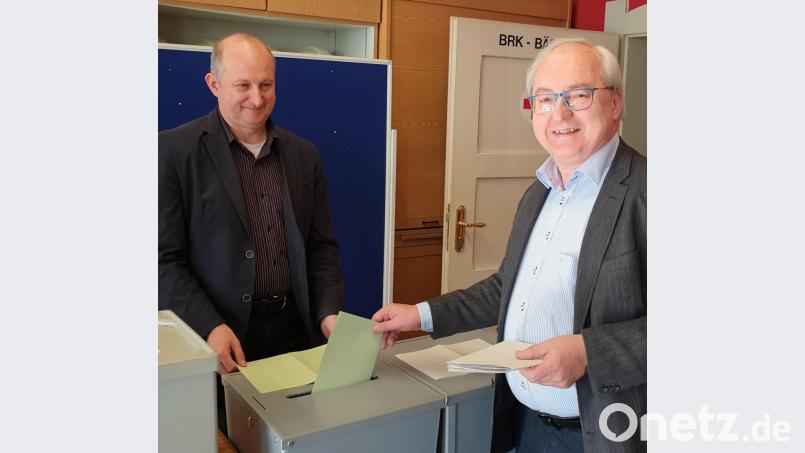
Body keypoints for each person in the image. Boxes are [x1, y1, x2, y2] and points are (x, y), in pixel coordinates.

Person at [373, 38, 646, 453]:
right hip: (525, 426)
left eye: (578, 94)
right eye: (545, 98)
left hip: (604, 434)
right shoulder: (540, 190)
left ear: (616, 103)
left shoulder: (651, 193)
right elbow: (508, 289)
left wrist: (589, 351)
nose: (561, 113)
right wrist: (421, 315)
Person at [158, 33, 344, 431]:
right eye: (243, 85)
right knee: (233, 437)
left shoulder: (303, 155)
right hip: (223, 337)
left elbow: (321, 247)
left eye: (266, 84)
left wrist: (328, 312)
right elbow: (162, 260)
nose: (256, 99)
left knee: (300, 433)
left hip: (296, 332)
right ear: (214, 84)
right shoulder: (173, 153)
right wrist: (208, 325)